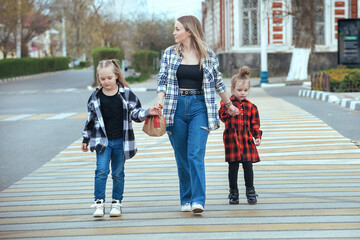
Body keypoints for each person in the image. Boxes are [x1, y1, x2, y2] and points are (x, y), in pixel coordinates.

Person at [155, 15, 239, 214]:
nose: (174, 33)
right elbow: (162, 80)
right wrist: (159, 101)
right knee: (182, 156)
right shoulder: (169, 54)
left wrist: (229, 104)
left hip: (200, 107)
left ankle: (198, 200)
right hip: (175, 108)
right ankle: (186, 199)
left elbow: (218, 82)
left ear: (189, 31)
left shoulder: (208, 55)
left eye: (177, 29)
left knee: (195, 154)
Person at [81, 59, 160, 217]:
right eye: (102, 79)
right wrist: (85, 139)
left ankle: (116, 202)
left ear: (116, 76)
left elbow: (135, 114)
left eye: (109, 78)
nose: (106, 81)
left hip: (121, 142)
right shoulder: (95, 96)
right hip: (102, 141)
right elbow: (90, 119)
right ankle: (99, 203)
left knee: (118, 173)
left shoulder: (126, 94)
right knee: (101, 171)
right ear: (99, 78)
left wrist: (148, 112)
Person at [218, 66, 262, 205]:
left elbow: (255, 124)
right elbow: (222, 117)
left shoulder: (251, 107)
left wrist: (257, 136)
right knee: (233, 167)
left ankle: (250, 191)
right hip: (232, 139)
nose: (243, 93)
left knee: (248, 166)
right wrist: (229, 113)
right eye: (239, 90)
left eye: (245, 90)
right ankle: (233, 192)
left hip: (247, 140)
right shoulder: (227, 104)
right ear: (232, 89)